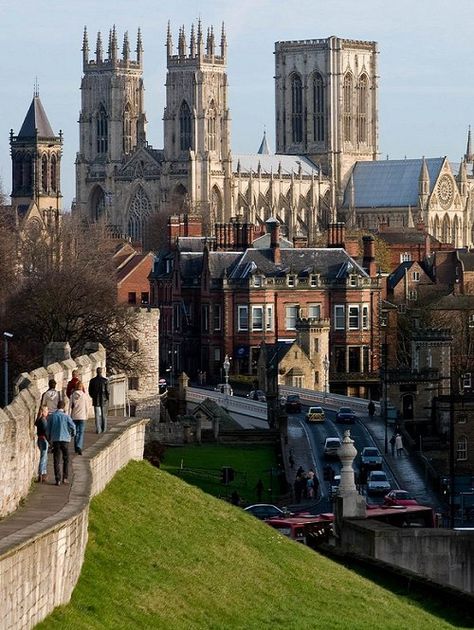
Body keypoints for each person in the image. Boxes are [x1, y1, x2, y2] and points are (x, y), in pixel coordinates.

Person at [47, 400, 76, 486]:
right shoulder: (66, 417)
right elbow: (73, 426)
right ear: (63, 407)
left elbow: (48, 429)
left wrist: (49, 439)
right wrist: (72, 434)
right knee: (66, 459)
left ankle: (57, 479)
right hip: (65, 440)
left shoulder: (52, 416)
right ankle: (65, 477)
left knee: (56, 460)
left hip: (55, 440)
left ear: (57, 406)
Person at [69, 381, 90, 455]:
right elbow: (87, 407)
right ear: (82, 387)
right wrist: (87, 415)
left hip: (74, 416)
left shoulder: (72, 396)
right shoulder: (84, 396)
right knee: (81, 432)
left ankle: (76, 447)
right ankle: (79, 446)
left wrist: (69, 416)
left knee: (76, 432)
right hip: (82, 416)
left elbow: (70, 407)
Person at [88, 367, 109, 434]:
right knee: (103, 414)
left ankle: (98, 429)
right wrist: (107, 398)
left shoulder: (92, 380)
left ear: (96, 372)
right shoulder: (105, 380)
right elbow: (107, 391)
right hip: (104, 399)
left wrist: (93, 396)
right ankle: (104, 428)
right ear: (101, 372)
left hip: (95, 399)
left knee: (97, 415)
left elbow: (90, 391)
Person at [35, 405, 50, 483]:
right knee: (43, 457)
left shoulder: (39, 419)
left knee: (44, 457)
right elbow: (45, 431)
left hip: (40, 439)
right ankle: (41, 474)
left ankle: (43, 473)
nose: (48, 412)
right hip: (44, 440)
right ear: (44, 412)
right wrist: (49, 441)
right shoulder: (43, 420)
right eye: (47, 410)